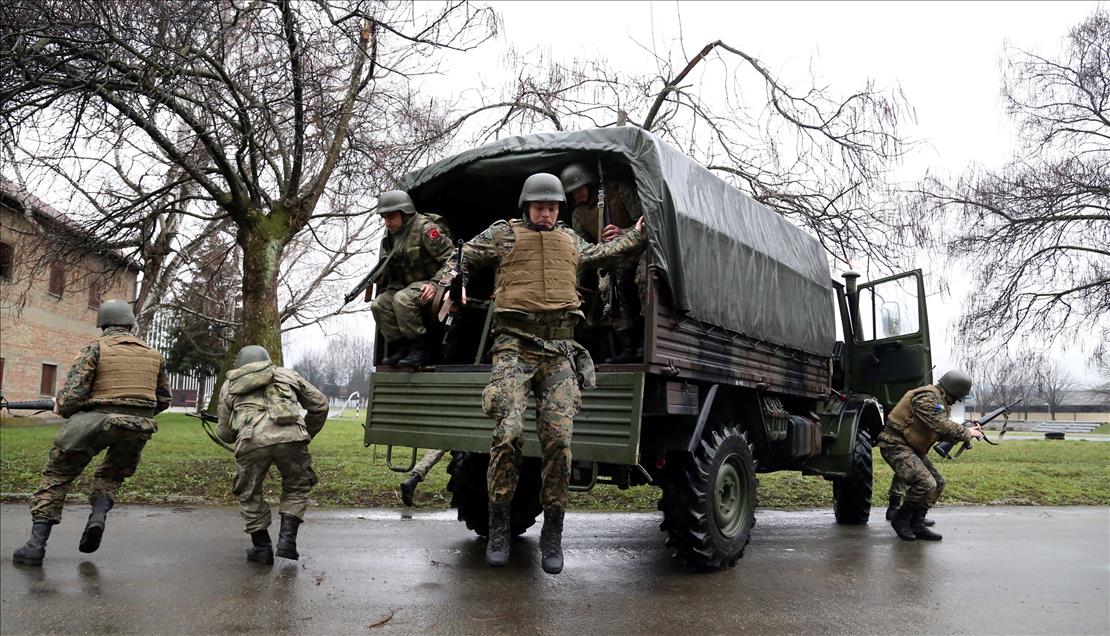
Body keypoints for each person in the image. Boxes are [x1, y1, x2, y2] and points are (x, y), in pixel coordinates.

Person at [436, 172, 648, 574]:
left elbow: (605, 254)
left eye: (553, 208)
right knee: (509, 432)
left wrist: (637, 235)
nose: (547, 214)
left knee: (559, 441)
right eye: (540, 207)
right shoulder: (504, 235)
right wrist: (453, 282)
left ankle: (553, 531)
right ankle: (499, 527)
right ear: (526, 207)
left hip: (559, 350)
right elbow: (459, 256)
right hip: (514, 345)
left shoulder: (570, 241)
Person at [12, 300, 171, 566]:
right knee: (111, 475)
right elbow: (163, 400)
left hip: (96, 422)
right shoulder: (154, 355)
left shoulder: (96, 348)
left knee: (57, 475)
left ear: (103, 324)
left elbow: (73, 397)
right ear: (130, 324)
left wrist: (62, 405)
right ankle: (97, 516)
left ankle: (35, 547)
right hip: (139, 426)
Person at [215, 345, 329, 563]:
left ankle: (262, 547)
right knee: (297, 486)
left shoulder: (230, 384)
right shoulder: (287, 374)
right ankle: (287, 541)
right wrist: (306, 432)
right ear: (268, 360)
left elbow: (225, 433)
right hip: (292, 437)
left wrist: (238, 425)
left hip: (252, 440)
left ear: (240, 364)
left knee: (248, 492)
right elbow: (320, 405)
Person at [878, 370, 982, 541]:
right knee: (925, 483)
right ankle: (901, 520)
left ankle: (917, 523)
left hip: (911, 447)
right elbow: (940, 424)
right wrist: (966, 432)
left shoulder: (938, 400)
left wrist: (967, 432)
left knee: (938, 483)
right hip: (895, 445)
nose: (956, 401)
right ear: (952, 390)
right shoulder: (926, 397)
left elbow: (937, 430)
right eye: (957, 397)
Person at [559, 162, 646, 362]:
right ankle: (628, 345)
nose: (575, 196)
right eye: (571, 193)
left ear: (588, 184)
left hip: (641, 249)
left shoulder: (618, 190)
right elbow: (580, 249)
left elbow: (649, 224)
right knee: (608, 288)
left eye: (578, 189)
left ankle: (646, 339)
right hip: (613, 258)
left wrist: (624, 232)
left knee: (643, 279)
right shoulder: (578, 214)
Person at [370, 189, 454, 367]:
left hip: (432, 283)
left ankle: (420, 350)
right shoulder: (390, 237)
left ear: (405, 214)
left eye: (391, 217)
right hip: (405, 284)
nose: (387, 222)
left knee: (402, 299)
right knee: (379, 304)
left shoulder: (426, 230)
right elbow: (389, 263)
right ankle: (403, 348)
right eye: (384, 218)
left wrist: (436, 284)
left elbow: (453, 260)